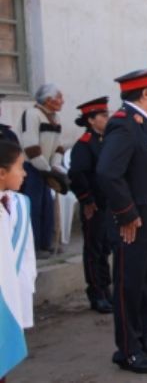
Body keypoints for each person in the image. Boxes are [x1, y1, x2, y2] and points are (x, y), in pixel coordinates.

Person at [96, 66, 147, 374]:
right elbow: (107, 173)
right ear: (145, 94)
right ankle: (129, 351)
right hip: (134, 225)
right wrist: (127, 213)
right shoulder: (124, 125)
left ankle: (146, 339)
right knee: (128, 289)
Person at [68, 96, 113, 314]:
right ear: (91, 120)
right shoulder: (84, 145)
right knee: (94, 249)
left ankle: (106, 288)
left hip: (109, 203)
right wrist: (86, 199)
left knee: (105, 247)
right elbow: (76, 174)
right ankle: (96, 293)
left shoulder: (107, 140)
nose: (108, 118)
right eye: (104, 115)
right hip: (94, 205)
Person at [0, 140, 36, 383]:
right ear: (2, 173)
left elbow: (27, 252)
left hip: (13, 292)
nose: (24, 173)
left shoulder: (21, 204)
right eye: (20, 167)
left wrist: (27, 286)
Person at [18, 85, 66, 259]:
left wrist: (55, 165)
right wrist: (46, 168)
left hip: (45, 169)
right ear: (48, 100)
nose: (62, 101)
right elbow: (30, 146)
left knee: (47, 206)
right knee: (34, 207)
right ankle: (34, 245)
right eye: (59, 97)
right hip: (32, 168)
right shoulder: (31, 115)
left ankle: (47, 242)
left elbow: (59, 145)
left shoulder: (56, 118)